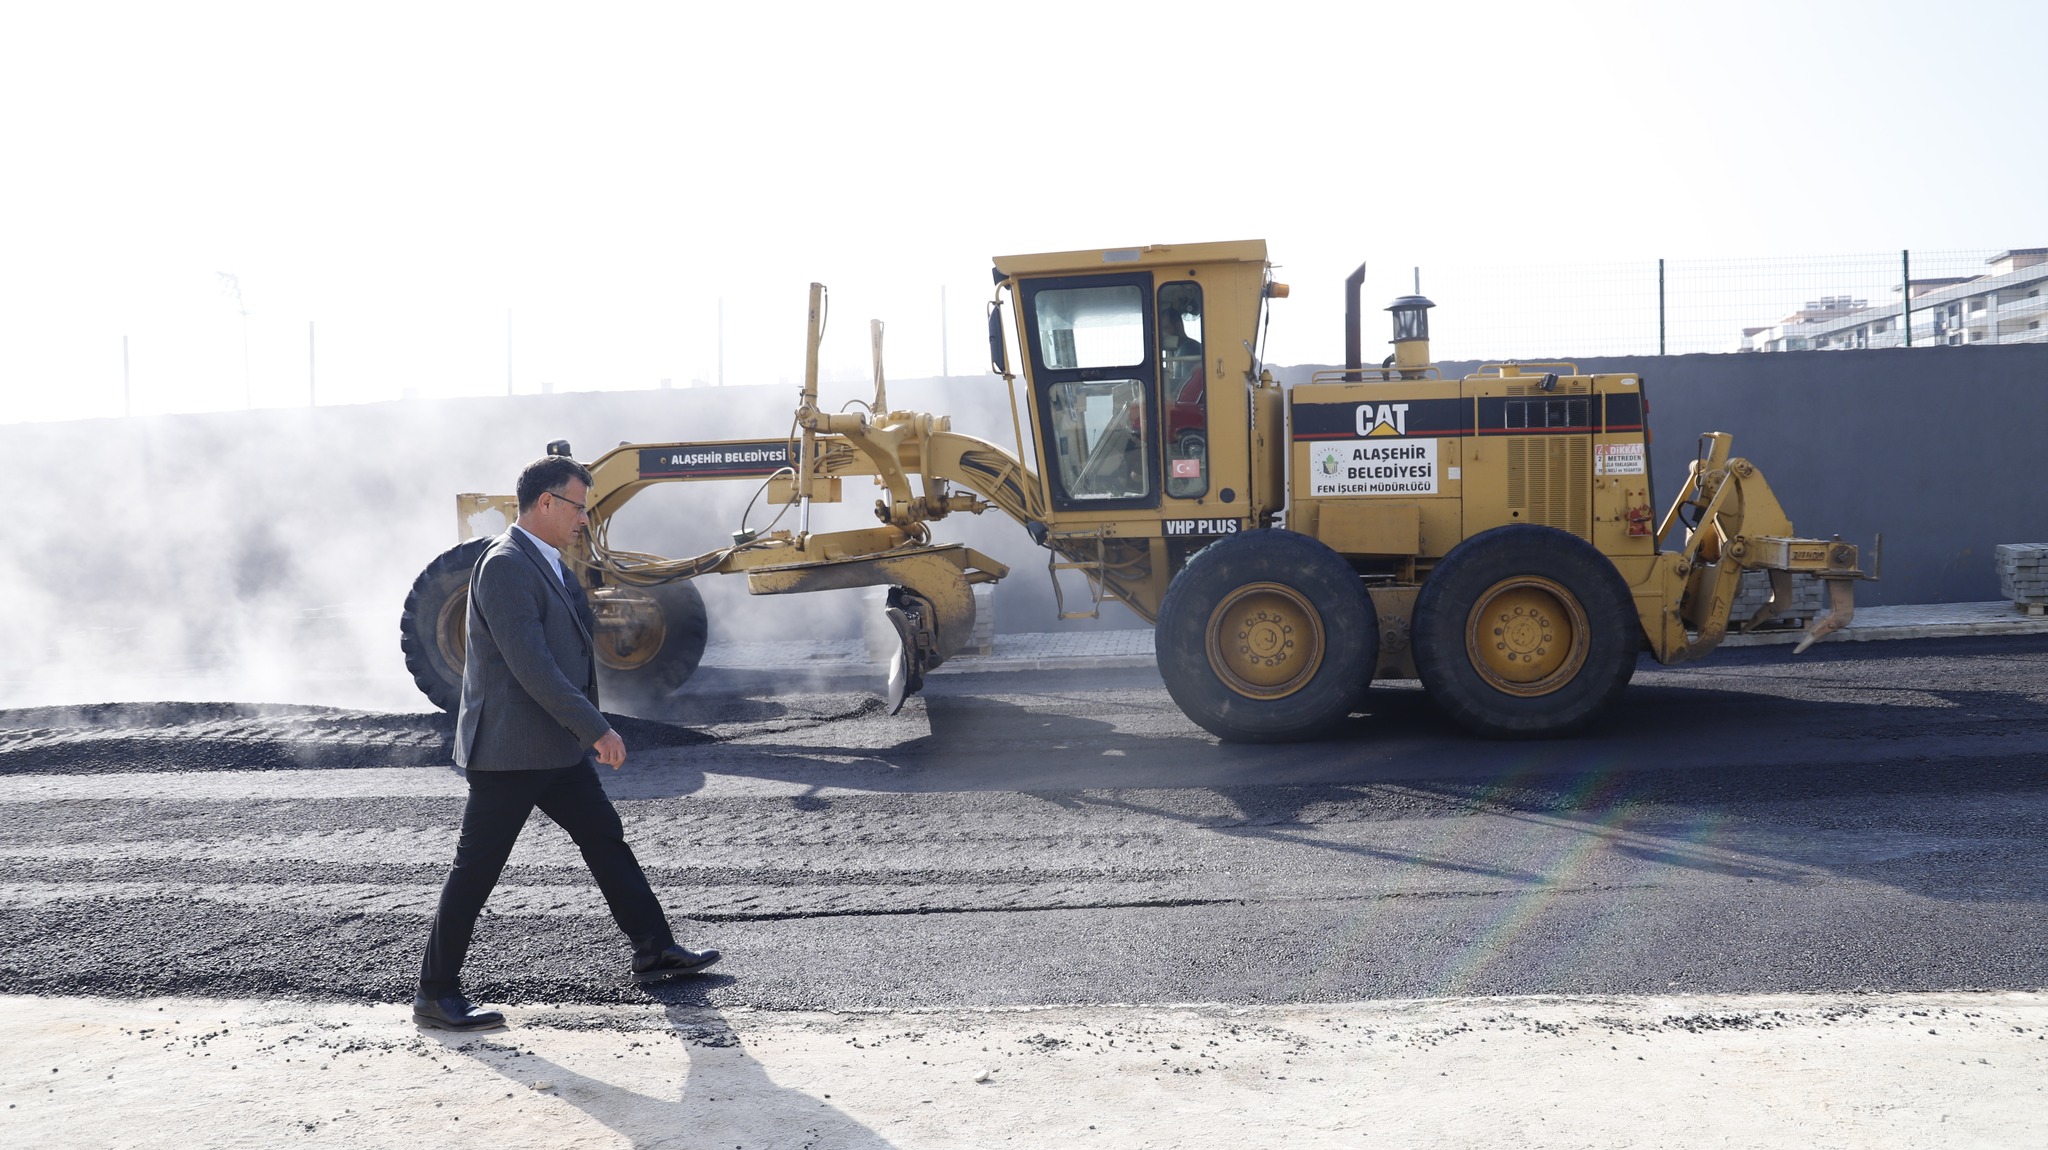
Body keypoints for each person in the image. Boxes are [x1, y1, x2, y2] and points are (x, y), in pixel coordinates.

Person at [414, 455, 719, 1032]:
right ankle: (435, 993)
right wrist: (596, 727)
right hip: (509, 750)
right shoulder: (505, 566)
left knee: (605, 837)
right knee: (476, 869)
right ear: (547, 503)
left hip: (551, 747)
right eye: (578, 506)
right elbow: (533, 666)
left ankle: (654, 950)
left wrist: (579, 728)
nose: (585, 518)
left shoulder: (547, 562)